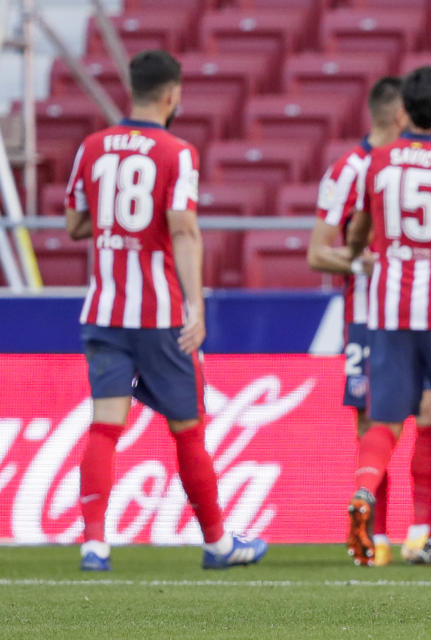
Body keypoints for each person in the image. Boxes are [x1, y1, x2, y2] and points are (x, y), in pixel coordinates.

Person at [63, 49, 267, 571]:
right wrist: (195, 305)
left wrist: (117, 224)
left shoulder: (91, 148)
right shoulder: (176, 152)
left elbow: (76, 225)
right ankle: (219, 544)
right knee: (188, 428)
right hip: (159, 317)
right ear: (173, 93)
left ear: (132, 89)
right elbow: (182, 227)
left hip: (105, 312)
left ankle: (93, 544)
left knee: (105, 425)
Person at [346, 66, 431, 566]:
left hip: (386, 306)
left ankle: (364, 492)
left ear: (403, 110)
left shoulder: (377, 161)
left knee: (383, 418)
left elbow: (359, 229)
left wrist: (363, 250)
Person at [308, 76, 407, 567]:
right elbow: (317, 252)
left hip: (423, 315)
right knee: (374, 420)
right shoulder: (350, 170)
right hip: (369, 317)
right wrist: (362, 262)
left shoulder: (417, 164)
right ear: (402, 115)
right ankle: (379, 536)